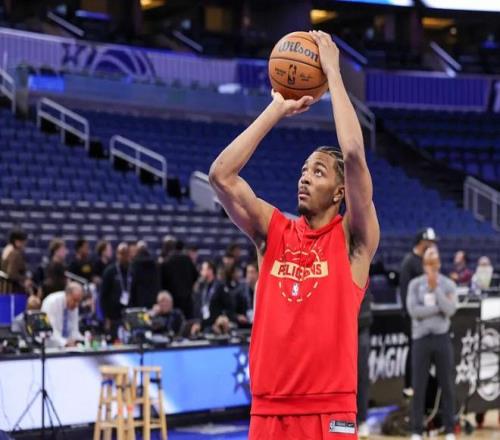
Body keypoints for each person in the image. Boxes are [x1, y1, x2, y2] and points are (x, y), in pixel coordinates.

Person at [209, 31, 379, 439]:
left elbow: (353, 154)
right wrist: (276, 109)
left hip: (329, 408)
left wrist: (333, 74)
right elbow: (221, 176)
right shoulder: (274, 232)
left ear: (340, 192)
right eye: (303, 171)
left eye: (318, 172)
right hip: (269, 408)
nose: (304, 178)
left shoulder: (353, 241)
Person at [407, 247, 457, 440]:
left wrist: (436, 289)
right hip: (421, 339)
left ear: (439, 264)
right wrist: (438, 308)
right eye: (428, 263)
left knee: (447, 384)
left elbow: (450, 310)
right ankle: (416, 430)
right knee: (418, 386)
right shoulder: (414, 285)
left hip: (441, 338)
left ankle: (450, 429)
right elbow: (414, 311)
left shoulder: (448, 284)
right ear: (423, 265)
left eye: (434, 263)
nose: (431, 267)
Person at [399, 227, 438, 397]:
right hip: (412, 317)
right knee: (414, 350)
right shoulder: (409, 261)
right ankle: (409, 387)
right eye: (430, 242)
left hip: (425, 316)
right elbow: (405, 292)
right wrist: (412, 315)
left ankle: (423, 386)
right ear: (422, 242)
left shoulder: (424, 261)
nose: (432, 245)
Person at [192, 260, 236, 335]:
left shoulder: (219, 286)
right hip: (205, 324)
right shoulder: (202, 287)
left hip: (216, 325)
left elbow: (229, 306)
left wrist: (223, 318)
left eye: (203, 269)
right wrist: (198, 323)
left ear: (210, 271)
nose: (201, 272)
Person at [160, 239, 198, 319]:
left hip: (173, 297)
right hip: (187, 297)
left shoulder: (167, 260)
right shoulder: (187, 259)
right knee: (188, 321)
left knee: (174, 321)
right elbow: (196, 275)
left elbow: (163, 280)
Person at [100, 242, 131, 338]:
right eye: (122, 253)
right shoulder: (110, 271)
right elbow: (103, 296)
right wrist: (106, 317)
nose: (125, 256)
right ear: (117, 254)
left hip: (129, 315)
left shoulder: (133, 271)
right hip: (113, 317)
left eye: (126, 253)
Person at [41, 282, 84, 348]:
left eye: (79, 301)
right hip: (49, 347)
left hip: (66, 347)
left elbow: (74, 330)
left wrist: (82, 341)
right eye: (75, 300)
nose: (77, 304)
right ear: (67, 294)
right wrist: (65, 343)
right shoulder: (52, 302)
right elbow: (50, 331)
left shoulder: (74, 305)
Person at [357, 289, 373, 438]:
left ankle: (362, 420)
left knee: (362, 375)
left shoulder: (362, 278)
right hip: (340, 328)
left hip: (361, 327)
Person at [130, 241, 160, 309]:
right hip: (153, 296)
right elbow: (158, 281)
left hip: (139, 296)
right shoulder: (154, 263)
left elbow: (133, 282)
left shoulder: (134, 263)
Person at [0, 228, 29, 293]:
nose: (25, 244)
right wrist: (25, 279)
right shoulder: (15, 253)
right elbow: (12, 274)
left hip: (4, 289)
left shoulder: (7, 250)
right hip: (11, 290)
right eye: (23, 241)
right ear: (17, 241)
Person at [234, 261, 258, 327]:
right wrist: (238, 316)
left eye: (252, 272)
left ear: (258, 273)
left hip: (258, 324)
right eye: (248, 272)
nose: (249, 275)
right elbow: (233, 310)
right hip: (244, 325)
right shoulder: (240, 290)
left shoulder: (263, 289)